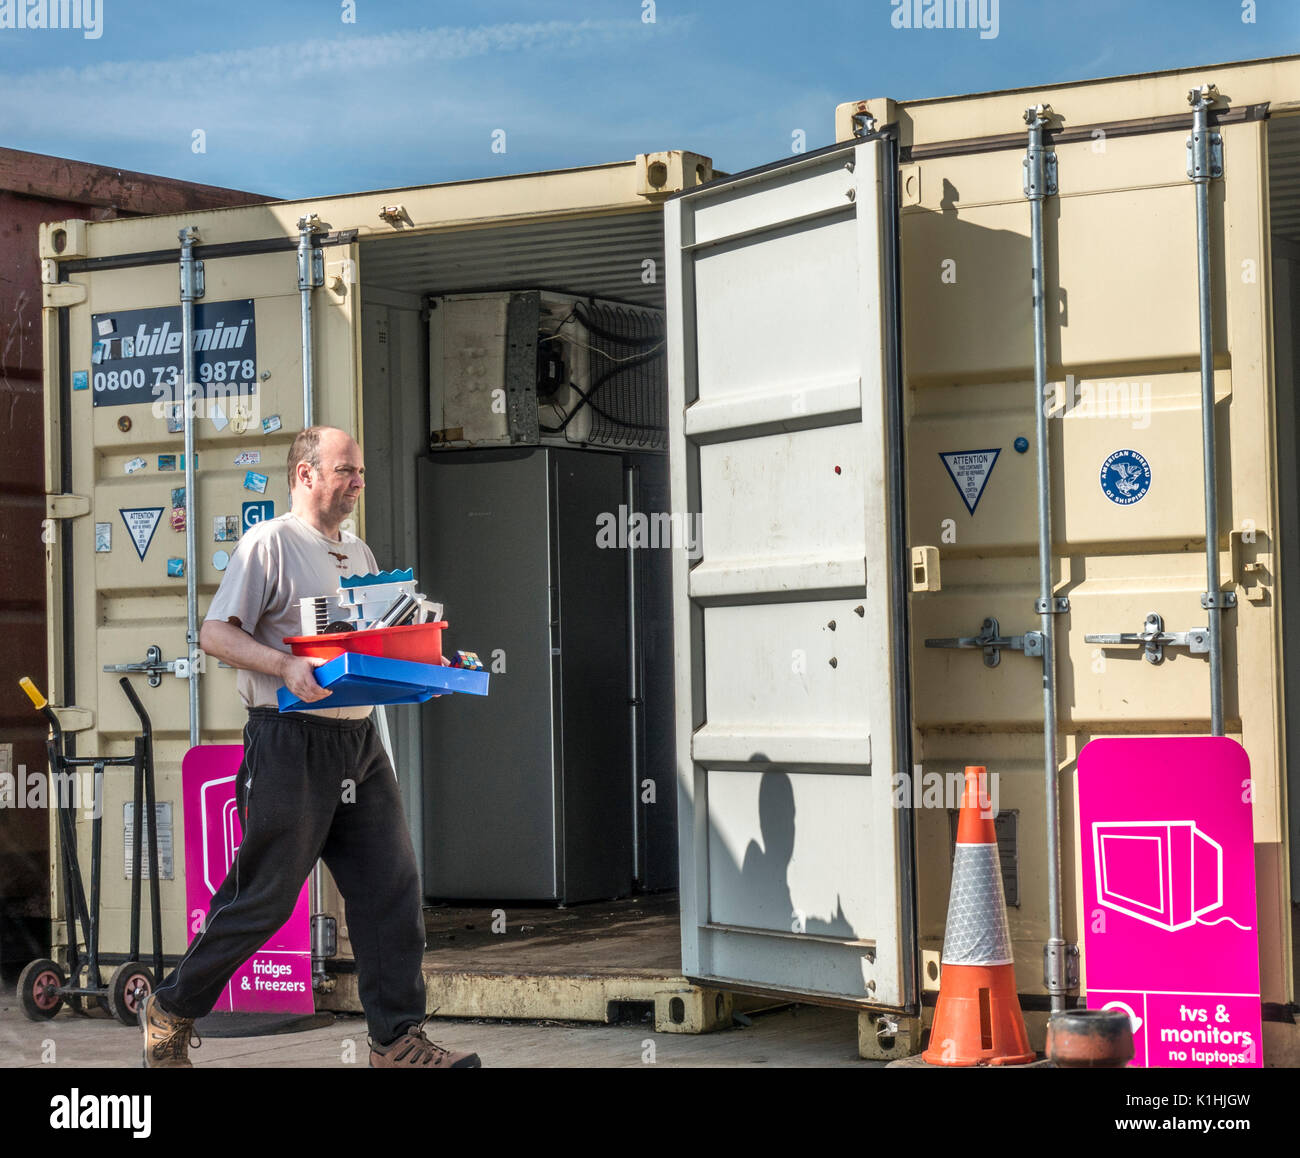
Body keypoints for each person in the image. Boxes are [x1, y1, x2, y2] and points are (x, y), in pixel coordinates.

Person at [139, 425, 480, 1069]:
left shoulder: (360, 551)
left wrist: (424, 672)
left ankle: (396, 1042)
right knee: (264, 899)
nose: (357, 483)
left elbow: (371, 642)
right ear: (305, 474)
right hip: (290, 742)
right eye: (346, 471)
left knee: (391, 889)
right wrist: (283, 665)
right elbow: (214, 633)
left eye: (360, 473)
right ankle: (173, 1007)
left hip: (359, 742)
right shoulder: (269, 544)